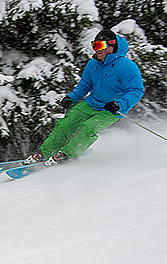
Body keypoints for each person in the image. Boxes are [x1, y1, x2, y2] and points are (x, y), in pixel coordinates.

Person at [24, 28, 144, 165]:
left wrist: (119, 104)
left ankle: (68, 155)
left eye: (100, 45)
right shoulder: (93, 64)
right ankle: (45, 153)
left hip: (111, 109)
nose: (97, 49)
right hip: (92, 102)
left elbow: (136, 90)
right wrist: (72, 97)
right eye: (95, 45)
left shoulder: (126, 66)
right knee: (65, 124)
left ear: (112, 46)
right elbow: (85, 85)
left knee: (88, 127)